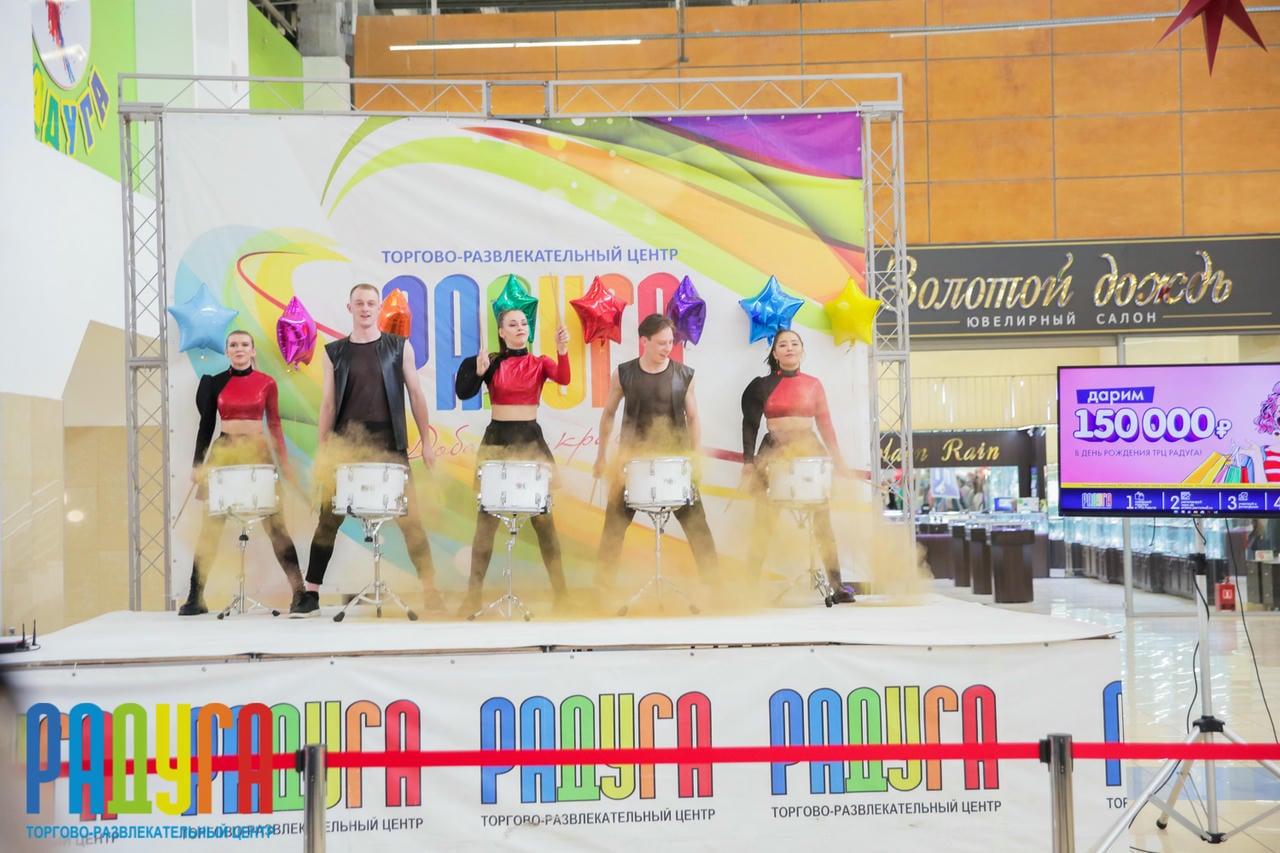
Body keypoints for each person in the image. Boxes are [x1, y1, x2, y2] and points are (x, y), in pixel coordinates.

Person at [296, 283, 440, 616]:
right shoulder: (334, 352)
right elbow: (328, 405)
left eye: (370, 303)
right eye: (359, 303)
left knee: (411, 520)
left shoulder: (399, 347)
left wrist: (427, 443)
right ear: (350, 308)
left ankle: (431, 592)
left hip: (389, 443)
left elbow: (416, 395)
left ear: (378, 308)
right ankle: (311, 594)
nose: (364, 308)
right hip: (346, 444)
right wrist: (323, 452)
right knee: (328, 519)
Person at [180, 330, 306, 615]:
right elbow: (206, 426)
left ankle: (300, 594)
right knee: (211, 529)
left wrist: (284, 464)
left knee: (276, 527)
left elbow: (274, 425)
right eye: (234, 345)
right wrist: (198, 464)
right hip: (224, 453)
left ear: (252, 351)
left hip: (258, 453)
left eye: (245, 344)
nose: (239, 349)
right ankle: (195, 597)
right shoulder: (214, 383)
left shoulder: (267, 383)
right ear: (227, 351)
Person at [454, 310, 572, 614]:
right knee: (486, 522)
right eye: (512, 324)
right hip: (498, 441)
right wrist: (478, 372)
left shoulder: (540, 362)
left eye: (523, 323)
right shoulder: (491, 362)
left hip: (530, 441)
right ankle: (473, 596)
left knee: (544, 522)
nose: (520, 327)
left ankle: (562, 595)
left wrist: (562, 351)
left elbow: (564, 378)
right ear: (501, 332)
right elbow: (463, 392)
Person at [593, 313, 719, 590]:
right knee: (613, 526)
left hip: (676, 461)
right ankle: (602, 591)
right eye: (661, 343)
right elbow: (609, 414)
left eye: (671, 342)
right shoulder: (623, 373)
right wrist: (601, 456)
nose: (667, 348)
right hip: (631, 460)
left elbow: (693, 418)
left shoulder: (684, 375)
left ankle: (716, 589)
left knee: (697, 525)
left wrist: (695, 458)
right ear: (644, 341)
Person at [740, 329, 855, 603]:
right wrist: (748, 461)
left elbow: (825, 425)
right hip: (773, 451)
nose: (789, 348)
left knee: (822, 519)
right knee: (763, 521)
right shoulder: (760, 385)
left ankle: (837, 586)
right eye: (783, 344)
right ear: (774, 353)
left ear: (802, 350)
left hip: (808, 451)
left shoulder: (814, 385)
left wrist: (839, 461)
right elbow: (750, 425)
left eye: (794, 343)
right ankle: (748, 587)